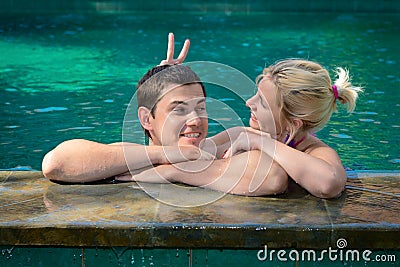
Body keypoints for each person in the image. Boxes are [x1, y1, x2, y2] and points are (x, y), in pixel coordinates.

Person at [116, 33, 363, 199]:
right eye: (255, 94)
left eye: (262, 104)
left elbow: (329, 184)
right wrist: (161, 91)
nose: (248, 103)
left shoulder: (314, 152)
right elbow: (181, 154)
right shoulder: (241, 135)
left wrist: (261, 143)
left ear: (292, 123)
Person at [42, 50, 287, 195]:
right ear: (147, 119)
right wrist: (169, 154)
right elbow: (56, 163)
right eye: (178, 109)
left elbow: (272, 175)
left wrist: (178, 168)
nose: (195, 120)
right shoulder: (132, 156)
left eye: (200, 108)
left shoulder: (217, 147)